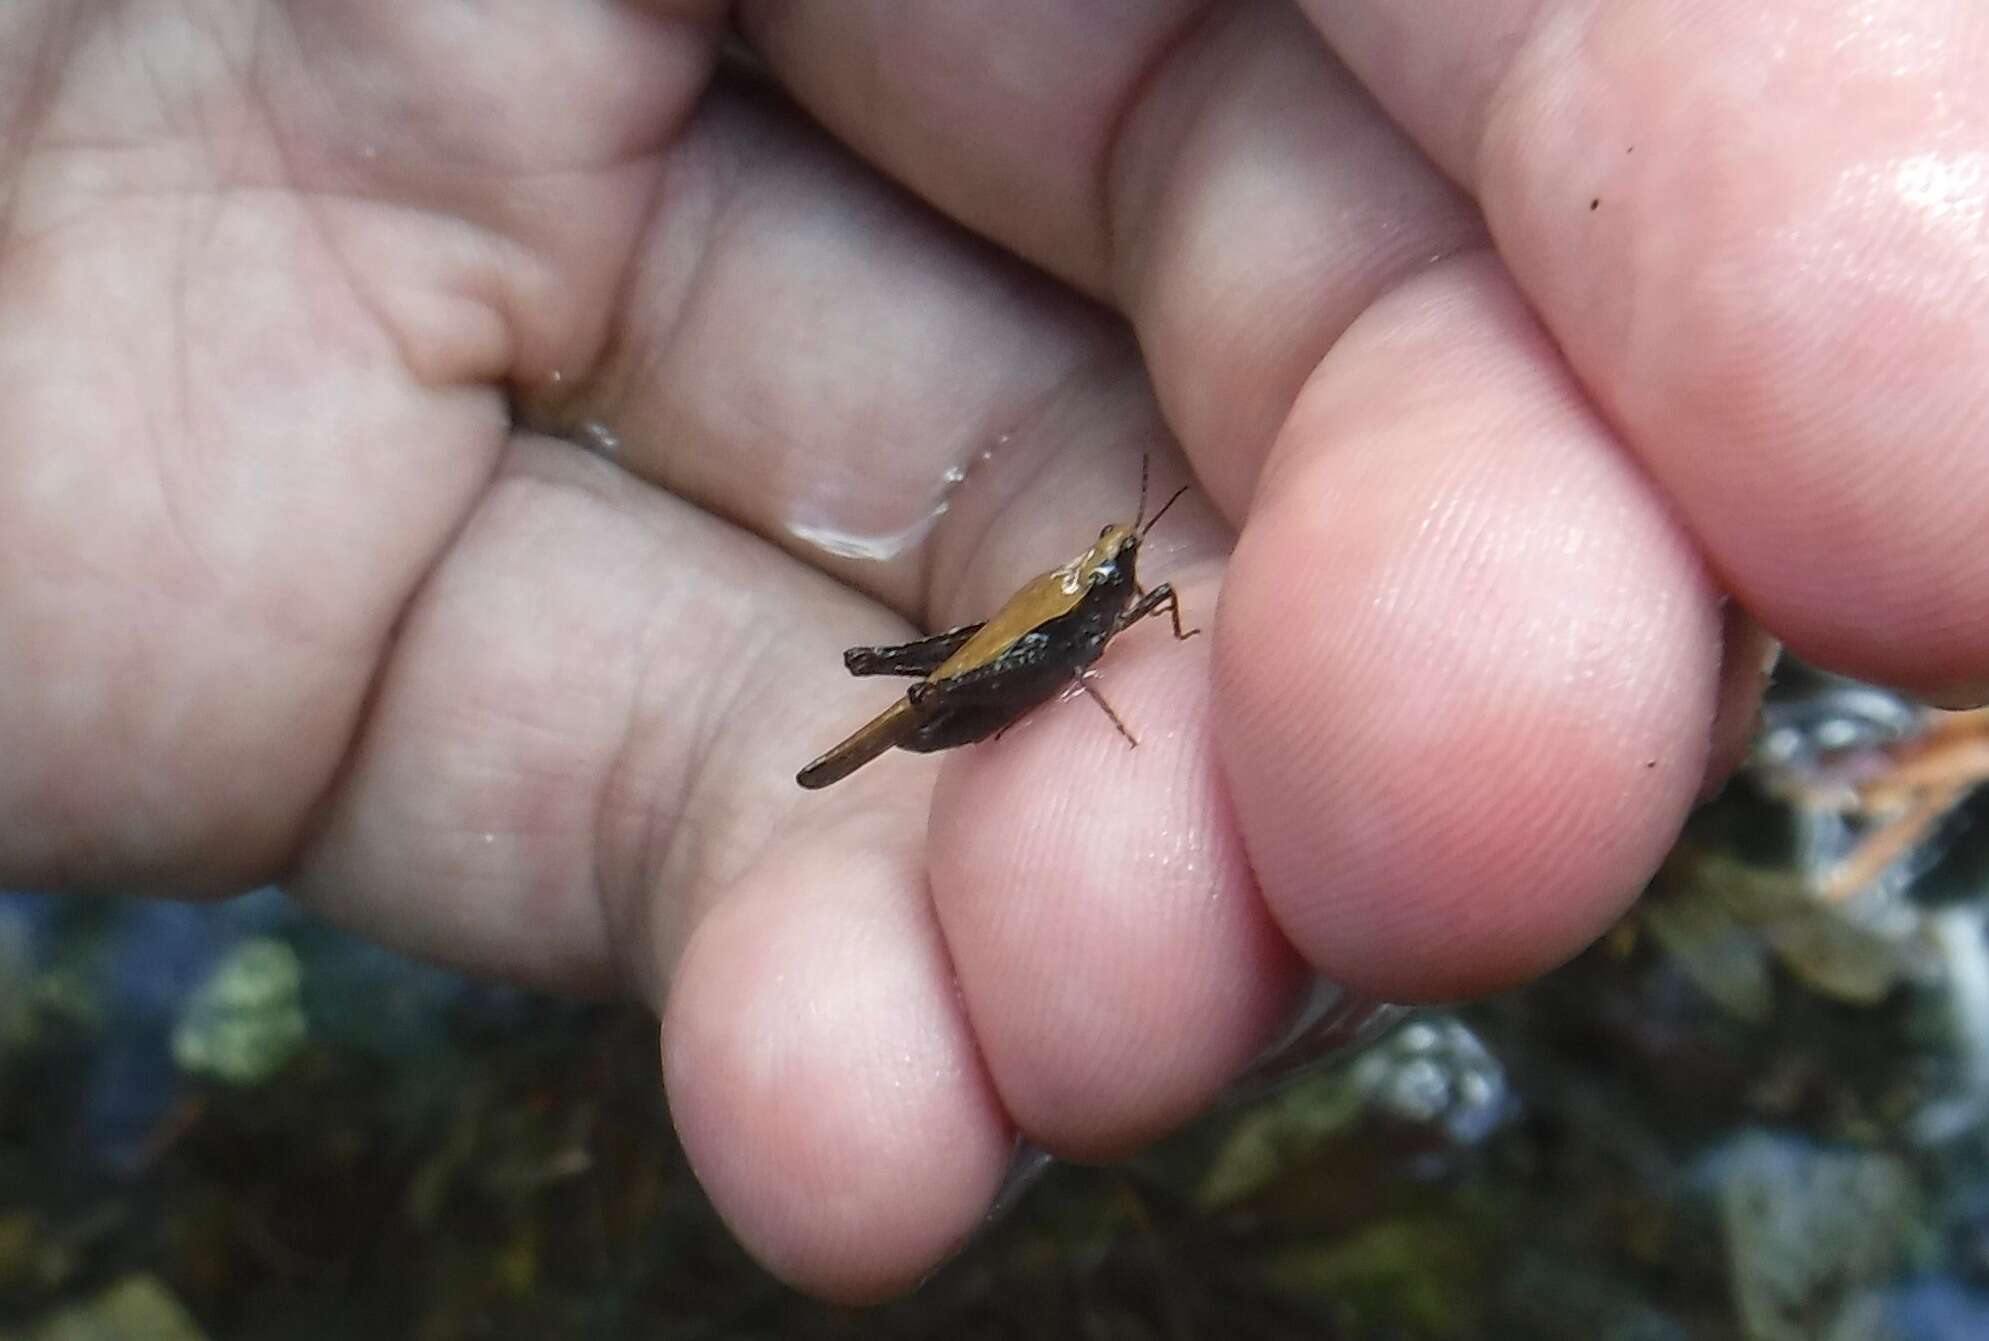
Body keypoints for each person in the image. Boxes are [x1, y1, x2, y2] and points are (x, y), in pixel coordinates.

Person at [2, 0, 1982, 1304]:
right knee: (945, 712)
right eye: (1127, 549)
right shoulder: (1084, 604)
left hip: (1004, 668)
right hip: (971, 674)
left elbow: (1107, 623)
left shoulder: (1124, 588)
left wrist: (1105, 629)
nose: (1133, 567)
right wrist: (1041, 663)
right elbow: (1053, 646)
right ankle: (874, 736)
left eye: (1133, 555)